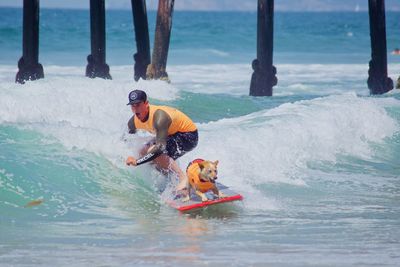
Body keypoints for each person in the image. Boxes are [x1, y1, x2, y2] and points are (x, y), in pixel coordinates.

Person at [125, 89, 198, 193]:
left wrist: (137, 162)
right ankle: (172, 180)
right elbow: (126, 139)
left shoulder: (159, 117)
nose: (136, 109)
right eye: (133, 106)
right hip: (171, 135)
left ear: (146, 104)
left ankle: (183, 178)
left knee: (153, 151)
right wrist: (126, 155)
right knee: (142, 151)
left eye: (138, 104)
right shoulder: (133, 122)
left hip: (188, 136)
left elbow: (160, 148)